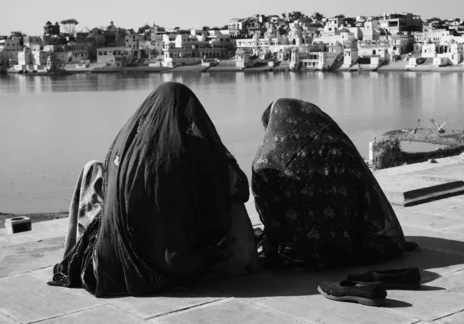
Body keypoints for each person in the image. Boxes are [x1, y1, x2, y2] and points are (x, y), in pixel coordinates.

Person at [49, 82, 257, 297]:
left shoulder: (125, 148)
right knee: (229, 200)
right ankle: (241, 260)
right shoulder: (195, 149)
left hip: (119, 256)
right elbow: (239, 190)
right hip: (182, 264)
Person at [252, 98, 410, 270]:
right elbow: (367, 201)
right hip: (348, 248)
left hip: (295, 254)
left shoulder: (268, 160)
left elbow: (265, 210)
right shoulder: (342, 149)